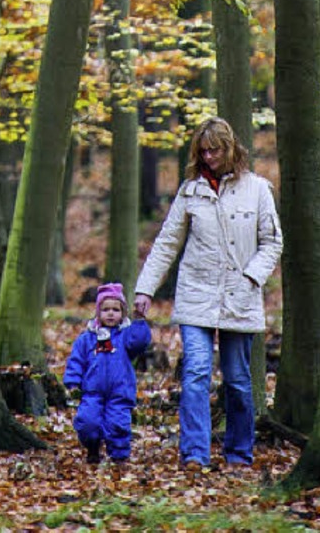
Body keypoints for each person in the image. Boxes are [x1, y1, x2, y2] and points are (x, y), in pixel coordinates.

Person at [134, 116, 282, 471]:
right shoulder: (190, 191)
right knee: (196, 373)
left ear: (230, 148)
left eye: (215, 150)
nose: (210, 157)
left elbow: (272, 243)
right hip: (196, 294)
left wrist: (251, 278)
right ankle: (195, 454)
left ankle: (239, 454)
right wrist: (144, 289)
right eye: (204, 151)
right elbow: (168, 243)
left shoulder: (258, 189)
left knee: (238, 381)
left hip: (240, 296)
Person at [64, 281, 151, 465]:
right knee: (87, 421)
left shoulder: (125, 335)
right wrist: (72, 380)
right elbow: (77, 360)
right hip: (92, 392)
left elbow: (140, 343)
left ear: (122, 313)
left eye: (116, 309)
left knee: (118, 424)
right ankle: (93, 447)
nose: (111, 313)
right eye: (105, 309)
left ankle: (119, 457)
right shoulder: (88, 338)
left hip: (120, 392)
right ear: (98, 312)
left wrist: (140, 321)